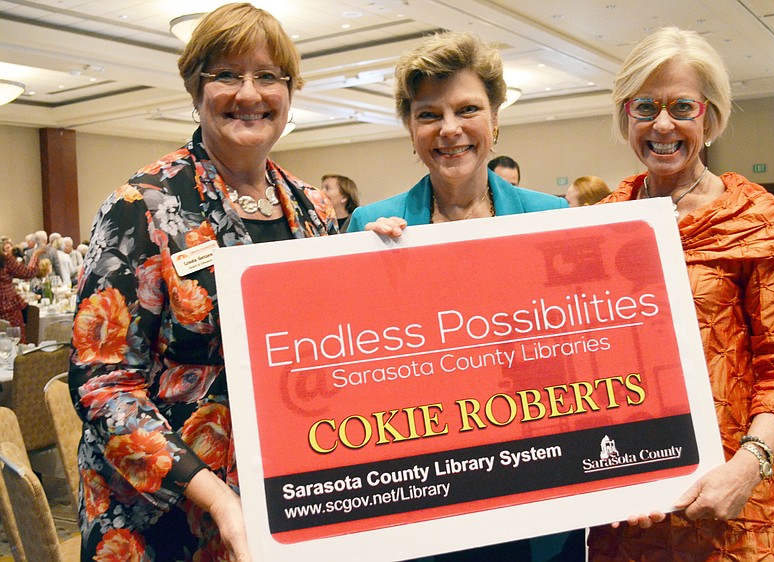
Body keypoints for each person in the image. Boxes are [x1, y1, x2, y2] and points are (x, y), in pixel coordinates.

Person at [68, 3, 337, 560]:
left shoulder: (314, 208)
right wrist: (217, 498)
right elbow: (102, 384)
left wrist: (381, 254)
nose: (249, 93)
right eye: (227, 75)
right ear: (196, 90)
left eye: (268, 76)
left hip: (287, 485)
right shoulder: (143, 205)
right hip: (164, 514)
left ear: (289, 93)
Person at [586, 27, 774, 560]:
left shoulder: (755, 219)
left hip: (745, 494)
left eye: (682, 106)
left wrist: (746, 468)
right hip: (638, 493)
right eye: (645, 106)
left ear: (710, 115)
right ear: (626, 115)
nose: (662, 124)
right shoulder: (600, 225)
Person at [348, 31, 578, 561]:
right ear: (411, 130)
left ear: (495, 119)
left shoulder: (552, 218)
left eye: (467, 109)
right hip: (429, 493)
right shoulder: (369, 227)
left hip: (541, 483)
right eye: (429, 115)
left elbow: (581, 347)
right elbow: (359, 374)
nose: (449, 129)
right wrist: (371, 273)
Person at [0, 240, 44, 343]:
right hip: (8, 307)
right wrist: (35, 255)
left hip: (7, 306)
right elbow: (28, 273)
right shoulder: (5, 260)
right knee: (15, 341)